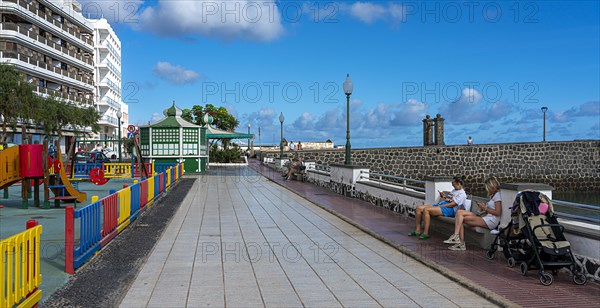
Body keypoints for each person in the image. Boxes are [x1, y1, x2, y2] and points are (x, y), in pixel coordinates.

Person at [444, 177, 502, 251]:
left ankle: (459, 241)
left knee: (460, 218)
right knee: (459, 213)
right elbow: (488, 210)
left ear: (491, 186)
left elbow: (498, 212)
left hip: (491, 221)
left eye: (487, 187)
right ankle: (457, 238)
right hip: (486, 217)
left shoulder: (497, 196)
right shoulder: (492, 196)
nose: (486, 189)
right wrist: (482, 209)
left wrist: (484, 208)